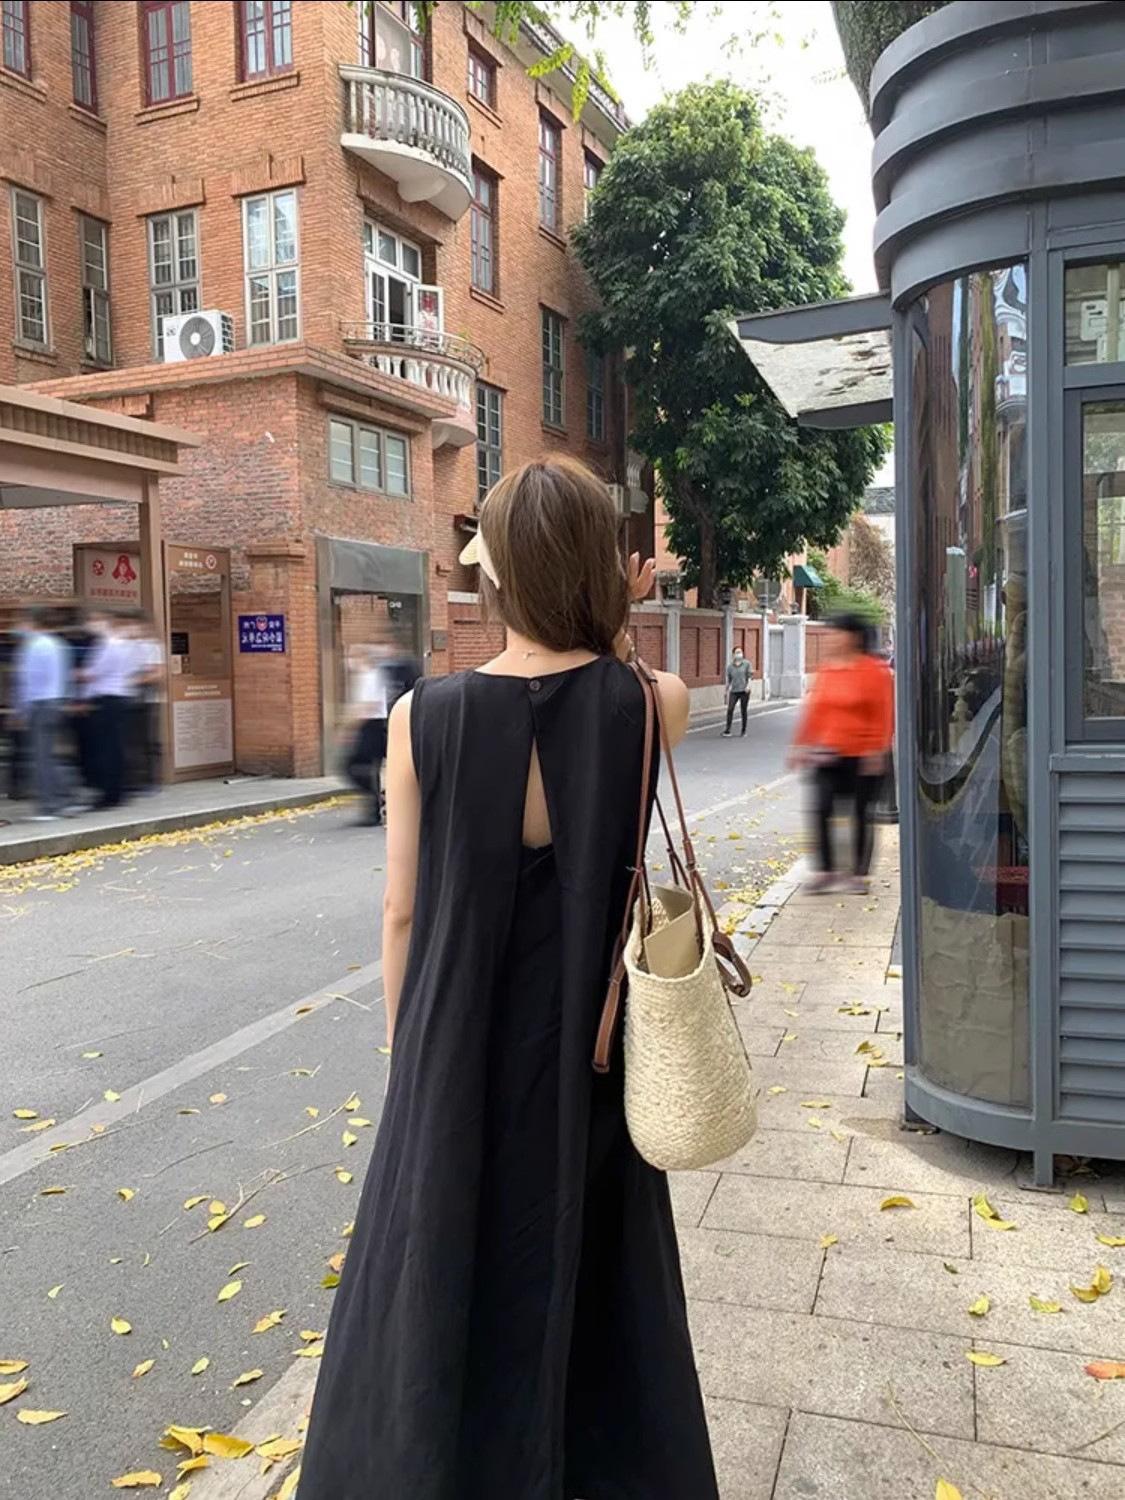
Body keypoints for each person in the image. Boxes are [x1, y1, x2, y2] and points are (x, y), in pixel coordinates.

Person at [299, 458, 718, 1499]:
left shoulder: (422, 715)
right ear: (600, 568)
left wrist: (406, 1046)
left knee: (440, 1250)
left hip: (455, 1028)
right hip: (594, 1040)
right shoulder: (652, 701)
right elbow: (610, 685)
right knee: (594, 1260)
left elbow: (401, 909)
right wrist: (616, 617)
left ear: (494, 574)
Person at [788, 611, 894, 894]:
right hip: (828, 754)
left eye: (837, 633)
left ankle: (858, 875)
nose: (831, 638)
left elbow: (884, 713)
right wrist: (800, 745)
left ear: (853, 637)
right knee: (821, 808)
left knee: (861, 813)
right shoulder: (827, 670)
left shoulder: (874, 671)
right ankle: (825, 871)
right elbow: (814, 712)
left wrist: (877, 749)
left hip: (863, 757)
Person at [11, 608, 70, 821]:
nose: (19, 627)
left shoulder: (33, 646)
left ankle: (49, 806)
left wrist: (20, 710)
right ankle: (64, 798)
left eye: (22, 622)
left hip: (39, 705)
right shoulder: (57, 644)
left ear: (32, 622)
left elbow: (27, 681)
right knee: (48, 755)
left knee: (41, 757)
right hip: (55, 702)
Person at [80, 611, 132, 810]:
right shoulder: (114, 644)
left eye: (94, 620)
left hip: (107, 701)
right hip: (115, 699)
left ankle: (110, 794)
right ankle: (115, 791)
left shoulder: (108, 645)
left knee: (107, 749)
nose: (90, 625)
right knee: (113, 747)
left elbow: (94, 673)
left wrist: (81, 675)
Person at [342, 644, 388, 826]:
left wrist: (349, 728)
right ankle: (376, 805)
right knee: (369, 768)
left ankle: (377, 802)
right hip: (371, 726)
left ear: (363, 658)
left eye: (352, 657)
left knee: (352, 767)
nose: (349, 662)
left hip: (372, 726)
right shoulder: (365, 677)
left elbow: (367, 706)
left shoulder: (371, 676)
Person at [123, 613, 165, 792]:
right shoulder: (126, 647)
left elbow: (158, 673)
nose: (131, 629)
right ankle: (134, 779)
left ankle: (151, 780)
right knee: (131, 741)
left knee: (148, 740)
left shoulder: (153, 647)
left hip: (147, 700)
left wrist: (136, 680)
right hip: (129, 699)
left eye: (133, 625)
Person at [722, 644, 752, 736]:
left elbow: (749, 676)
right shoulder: (730, 667)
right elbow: (729, 680)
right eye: (737, 652)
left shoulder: (746, 664)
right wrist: (726, 691)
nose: (739, 654)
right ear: (733, 655)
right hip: (734, 691)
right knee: (730, 709)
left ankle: (743, 730)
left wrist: (748, 686)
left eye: (740, 652)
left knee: (743, 710)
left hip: (744, 691)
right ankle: (728, 729)